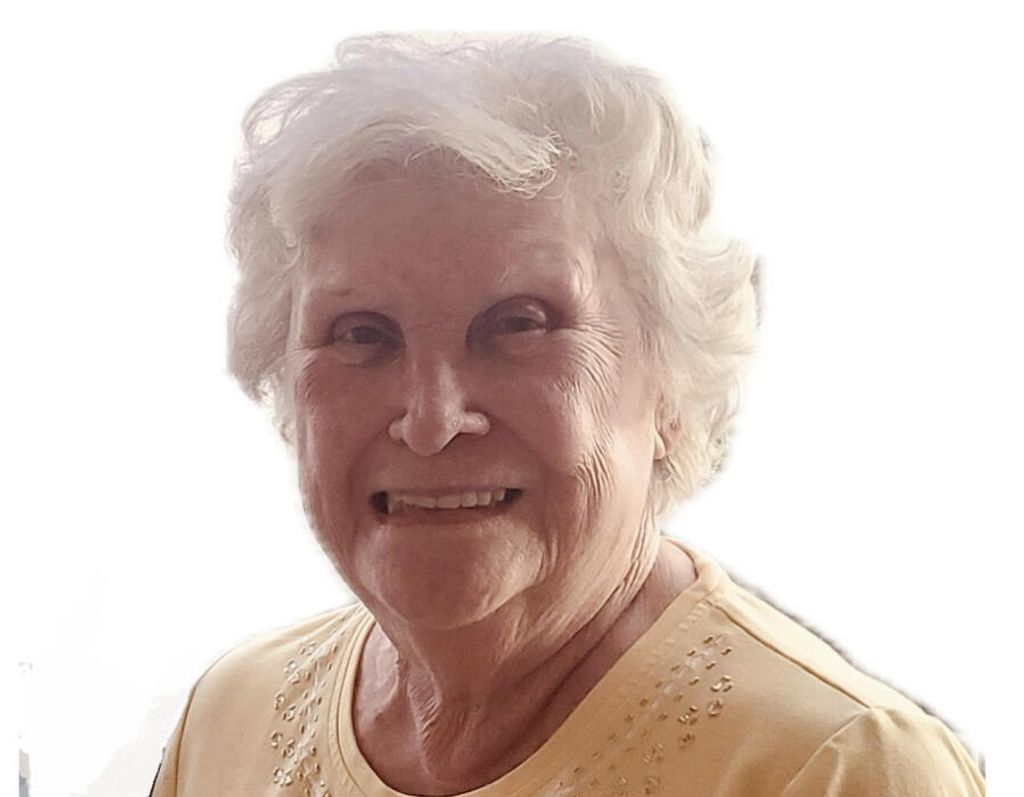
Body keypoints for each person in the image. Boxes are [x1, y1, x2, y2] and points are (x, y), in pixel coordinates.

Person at [151, 33, 984, 796]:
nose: (432, 420)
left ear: (671, 385)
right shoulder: (229, 721)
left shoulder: (841, 768)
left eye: (518, 324)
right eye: (361, 334)